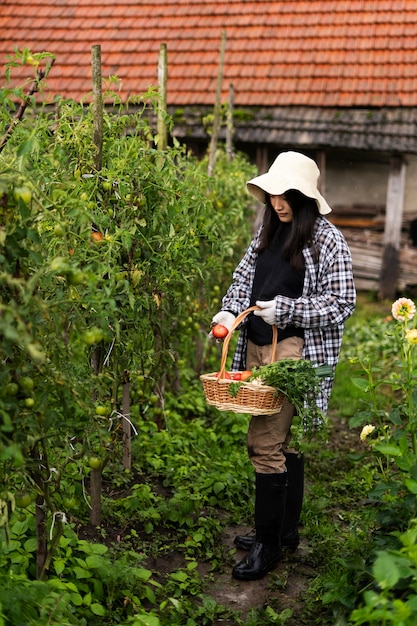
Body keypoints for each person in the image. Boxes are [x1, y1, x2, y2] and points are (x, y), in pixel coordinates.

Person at [210, 151, 356, 581]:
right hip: (256, 344)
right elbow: (243, 280)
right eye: (274, 192)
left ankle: (268, 547)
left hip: (293, 352)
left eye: (288, 194)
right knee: (285, 443)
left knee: (264, 444)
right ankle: (284, 534)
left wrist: (289, 310)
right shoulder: (267, 229)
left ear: (306, 197)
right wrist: (227, 313)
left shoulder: (327, 240)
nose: (278, 202)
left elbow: (342, 302)